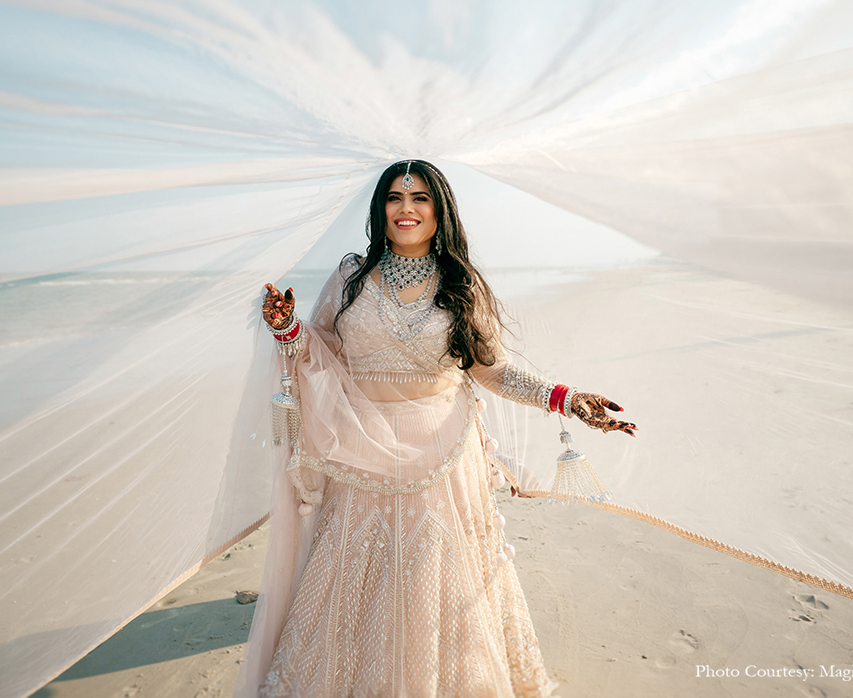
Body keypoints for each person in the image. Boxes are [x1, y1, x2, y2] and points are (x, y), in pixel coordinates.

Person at [239, 160, 636, 697]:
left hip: (440, 455)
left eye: (420, 198)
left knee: (436, 580)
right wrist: (286, 328)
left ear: (439, 209)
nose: (406, 210)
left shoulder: (461, 283)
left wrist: (564, 398)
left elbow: (491, 370)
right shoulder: (352, 275)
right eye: (395, 199)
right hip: (362, 450)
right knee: (354, 581)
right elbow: (321, 352)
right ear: (380, 209)